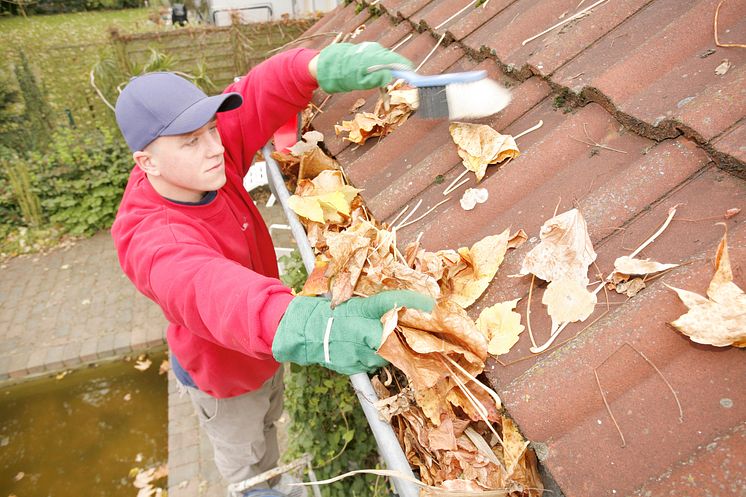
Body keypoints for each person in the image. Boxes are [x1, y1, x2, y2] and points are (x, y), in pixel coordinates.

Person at [111, 43, 434, 495]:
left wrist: (320, 66)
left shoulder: (196, 160)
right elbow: (209, 290)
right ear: (147, 163)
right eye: (192, 141)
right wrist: (314, 328)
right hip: (223, 380)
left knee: (269, 422)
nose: (213, 147)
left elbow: (262, 90)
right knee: (250, 464)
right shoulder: (148, 238)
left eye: (210, 130)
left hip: (264, 349)